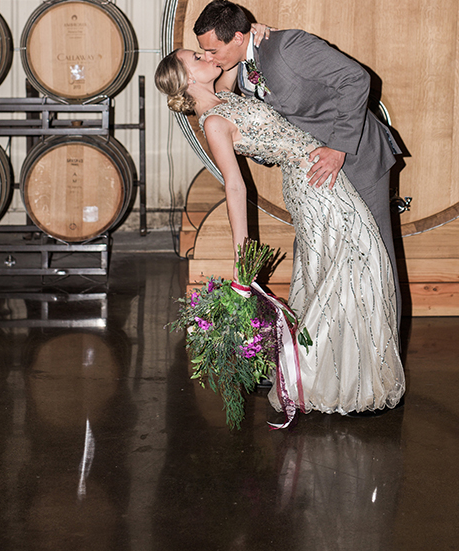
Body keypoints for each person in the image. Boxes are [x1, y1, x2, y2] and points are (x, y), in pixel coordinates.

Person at [154, 48, 405, 416]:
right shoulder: (212, 122)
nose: (206, 53)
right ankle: (328, 380)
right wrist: (243, 261)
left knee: (350, 270)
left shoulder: (223, 93)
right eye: (196, 56)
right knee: (355, 266)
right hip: (313, 184)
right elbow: (235, 187)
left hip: (318, 173)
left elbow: (238, 58)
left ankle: (340, 377)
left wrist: (258, 32)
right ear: (188, 79)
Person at [193, 0, 403, 331]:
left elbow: (356, 79)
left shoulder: (288, 45)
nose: (208, 57)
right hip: (313, 182)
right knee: (326, 270)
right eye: (202, 52)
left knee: (375, 262)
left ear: (236, 36)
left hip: (358, 160)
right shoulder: (241, 65)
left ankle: (382, 360)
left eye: (213, 50)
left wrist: (339, 148)